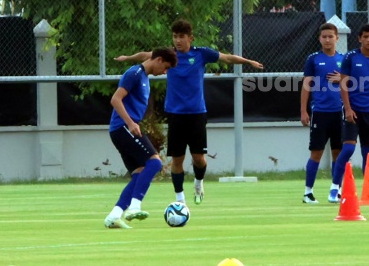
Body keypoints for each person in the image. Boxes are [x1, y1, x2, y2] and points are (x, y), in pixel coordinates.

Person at [115, 19, 263, 205]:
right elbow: (145, 55)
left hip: (197, 113)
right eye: (175, 36)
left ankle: (199, 182)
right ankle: (180, 200)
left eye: (181, 37)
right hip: (175, 114)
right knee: (177, 160)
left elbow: (227, 57)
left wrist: (249, 62)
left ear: (190, 38)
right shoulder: (169, 56)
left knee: (199, 159)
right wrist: (127, 58)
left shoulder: (201, 54)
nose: (177, 40)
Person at [104, 47, 177, 229]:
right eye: (166, 67)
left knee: (139, 173)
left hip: (122, 129)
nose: (165, 72)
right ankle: (134, 207)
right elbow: (115, 99)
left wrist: (127, 55)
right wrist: (129, 122)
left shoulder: (144, 73)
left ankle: (114, 216)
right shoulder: (135, 73)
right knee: (155, 163)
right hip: (123, 127)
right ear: (159, 60)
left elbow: (146, 54)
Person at [329, 24, 369, 203]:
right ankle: (334, 190)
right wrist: (347, 108)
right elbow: (343, 84)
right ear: (360, 39)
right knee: (347, 149)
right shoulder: (351, 57)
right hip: (353, 111)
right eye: (366, 37)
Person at [300, 22, 343, 204]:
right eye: (324, 37)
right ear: (320, 38)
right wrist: (303, 110)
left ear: (337, 38)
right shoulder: (314, 59)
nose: (327, 40)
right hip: (319, 112)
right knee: (316, 153)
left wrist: (343, 78)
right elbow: (306, 85)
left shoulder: (344, 59)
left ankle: (335, 190)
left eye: (330, 36)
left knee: (338, 153)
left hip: (339, 113)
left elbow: (353, 83)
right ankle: (308, 192)